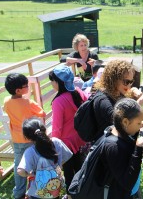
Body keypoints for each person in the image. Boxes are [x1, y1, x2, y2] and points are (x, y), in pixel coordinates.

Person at [92, 59, 143, 141]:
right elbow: (120, 122)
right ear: (114, 79)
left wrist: (133, 89)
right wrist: (142, 99)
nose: (129, 85)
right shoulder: (103, 100)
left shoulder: (117, 92)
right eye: (126, 82)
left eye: (131, 81)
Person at [4, 73, 46, 199]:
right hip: (30, 138)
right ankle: (37, 188)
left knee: (18, 164)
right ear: (18, 90)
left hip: (16, 139)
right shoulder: (28, 102)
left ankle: (18, 192)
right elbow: (42, 113)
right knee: (35, 162)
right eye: (26, 86)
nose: (28, 87)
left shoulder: (6, 101)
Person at [48, 64, 88, 199]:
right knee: (81, 169)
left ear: (58, 82)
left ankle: (71, 195)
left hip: (66, 145)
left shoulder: (59, 101)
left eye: (52, 80)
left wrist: (54, 146)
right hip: (80, 139)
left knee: (69, 173)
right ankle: (84, 191)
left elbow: (57, 128)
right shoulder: (78, 91)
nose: (51, 83)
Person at [94, 98, 143, 199]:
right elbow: (127, 183)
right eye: (139, 123)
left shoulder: (117, 131)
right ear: (125, 122)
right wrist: (138, 149)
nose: (141, 126)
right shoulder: (114, 147)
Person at [17, 117, 73, 199]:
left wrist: (31, 174)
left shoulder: (30, 152)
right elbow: (66, 157)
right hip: (56, 186)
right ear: (44, 129)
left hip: (38, 192)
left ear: (27, 137)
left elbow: (20, 171)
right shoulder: (56, 142)